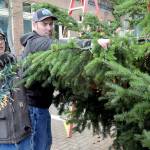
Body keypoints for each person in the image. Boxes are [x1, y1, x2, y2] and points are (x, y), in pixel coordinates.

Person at [20, 8, 57, 150]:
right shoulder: (37, 42)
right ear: (35, 25)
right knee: (40, 146)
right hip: (35, 109)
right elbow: (60, 46)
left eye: (51, 24)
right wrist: (93, 43)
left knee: (45, 144)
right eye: (45, 24)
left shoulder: (38, 42)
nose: (49, 28)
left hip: (41, 107)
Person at [0, 29, 31, 150]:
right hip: (3, 141)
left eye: (1, 38)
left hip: (23, 135)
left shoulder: (14, 64)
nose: (0, 42)